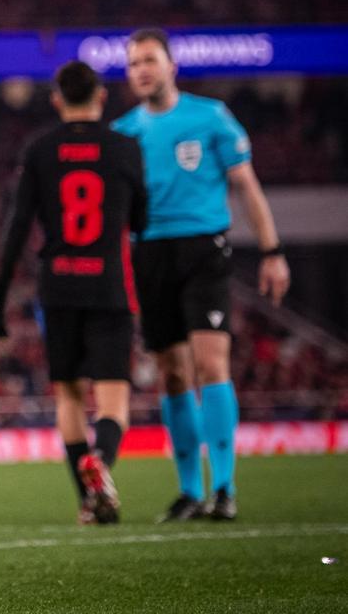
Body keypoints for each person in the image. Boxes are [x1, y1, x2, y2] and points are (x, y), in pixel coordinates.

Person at [112, 29, 291, 522]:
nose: (141, 70)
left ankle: (226, 487)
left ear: (172, 66)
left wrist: (273, 251)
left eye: (149, 60)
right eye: (133, 64)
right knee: (172, 372)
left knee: (211, 363)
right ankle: (190, 490)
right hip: (149, 253)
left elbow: (247, 188)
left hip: (203, 250)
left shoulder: (210, 117)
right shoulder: (124, 133)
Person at [0, 61, 147, 524]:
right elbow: (139, 220)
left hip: (57, 286)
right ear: (101, 97)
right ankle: (102, 462)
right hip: (109, 286)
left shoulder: (40, 150)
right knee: (113, 399)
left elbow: (18, 226)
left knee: (70, 397)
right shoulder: (125, 148)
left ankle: (86, 499)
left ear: (57, 100)